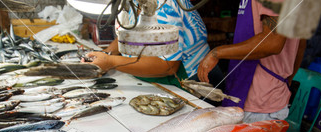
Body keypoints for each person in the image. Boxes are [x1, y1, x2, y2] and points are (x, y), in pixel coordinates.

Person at [197, 0, 306, 122]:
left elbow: (272, 42)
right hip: (253, 93)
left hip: (260, 104)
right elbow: (301, 42)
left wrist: (216, 53)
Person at [83, 0, 223, 89]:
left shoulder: (164, 5)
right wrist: (105, 54)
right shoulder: (128, 3)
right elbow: (124, 34)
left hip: (190, 81)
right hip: (150, 78)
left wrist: (110, 62)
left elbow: (167, 65)